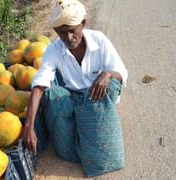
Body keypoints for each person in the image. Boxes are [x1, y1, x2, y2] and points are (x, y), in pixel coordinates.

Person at [22, 0, 128, 177]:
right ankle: (76, 144)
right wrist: (28, 126)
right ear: (56, 31)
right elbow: (39, 86)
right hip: (72, 98)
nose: (69, 37)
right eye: (63, 33)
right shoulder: (54, 50)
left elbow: (121, 73)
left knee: (110, 85)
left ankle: (93, 141)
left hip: (97, 98)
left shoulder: (99, 40)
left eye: (73, 30)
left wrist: (108, 74)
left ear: (83, 24)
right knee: (51, 94)